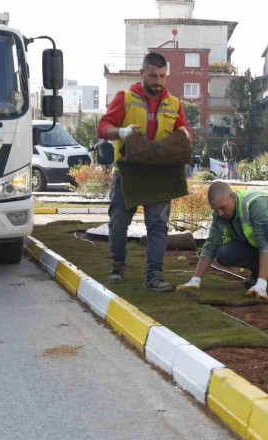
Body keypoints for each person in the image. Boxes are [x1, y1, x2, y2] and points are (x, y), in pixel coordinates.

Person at [97, 53, 191, 292]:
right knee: (118, 222)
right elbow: (103, 128)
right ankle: (117, 265)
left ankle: (154, 276)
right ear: (142, 74)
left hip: (161, 174)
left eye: (162, 76)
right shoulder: (125, 98)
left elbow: (182, 130)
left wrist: (185, 136)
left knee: (158, 225)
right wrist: (122, 132)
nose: (158, 81)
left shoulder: (174, 104)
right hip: (128, 172)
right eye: (153, 76)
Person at [175, 182, 268, 302]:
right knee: (224, 253)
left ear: (232, 196)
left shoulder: (254, 204)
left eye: (222, 208)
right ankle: (259, 272)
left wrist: (261, 284)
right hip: (263, 246)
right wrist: (195, 280)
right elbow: (210, 245)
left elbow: (263, 245)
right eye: (216, 210)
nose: (219, 213)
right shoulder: (219, 215)